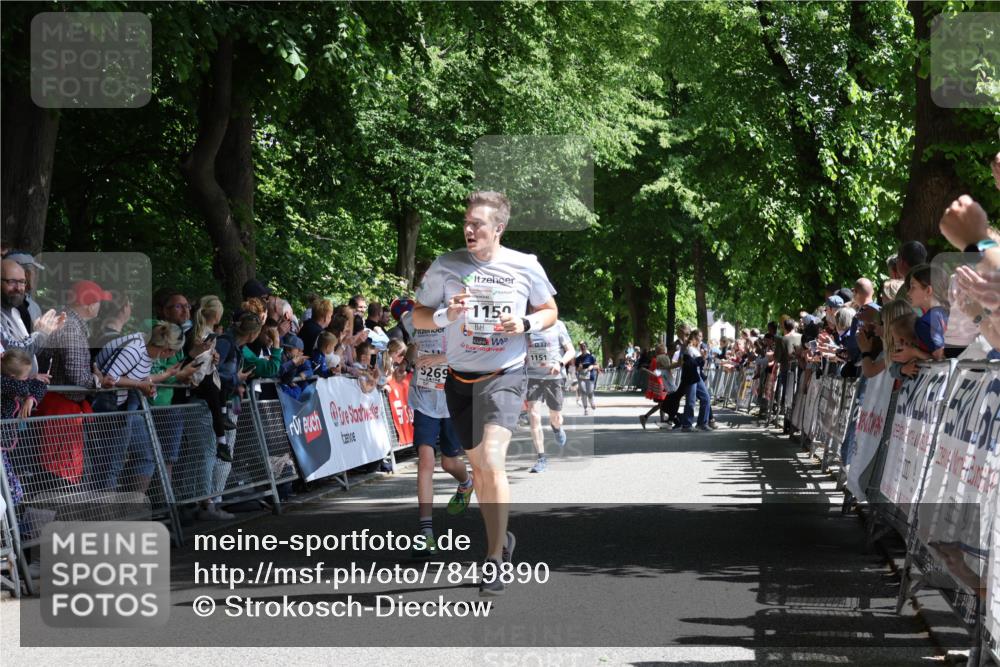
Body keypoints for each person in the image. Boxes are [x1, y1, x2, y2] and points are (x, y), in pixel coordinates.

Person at [413, 190, 557, 596]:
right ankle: (502, 538)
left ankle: (494, 559)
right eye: (467, 222)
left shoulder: (525, 265)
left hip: (504, 375)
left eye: (477, 223)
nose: (469, 229)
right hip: (460, 381)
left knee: (493, 460)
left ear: (499, 228)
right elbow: (418, 315)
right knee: (479, 471)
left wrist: (526, 324)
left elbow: (549, 311)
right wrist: (446, 315)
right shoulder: (446, 265)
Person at [400, 307, 475, 557]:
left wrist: (441, 358)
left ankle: (466, 483)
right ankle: (426, 535)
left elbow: (472, 350)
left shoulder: (460, 315)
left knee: (449, 462)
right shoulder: (412, 318)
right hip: (424, 399)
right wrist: (407, 361)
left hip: (453, 399)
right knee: (425, 461)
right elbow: (413, 345)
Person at [525, 318, 575, 473]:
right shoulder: (526, 324)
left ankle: (556, 427)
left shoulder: (558, 325)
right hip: (532, 376)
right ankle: (541, 458)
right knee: (533, 415)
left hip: (554, 376)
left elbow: (571, 351)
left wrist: (560, 364)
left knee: (556, 417)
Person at [575, 342, 598, 414]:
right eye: (581, 346)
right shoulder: (578, 359)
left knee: (590, 392)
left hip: (590, 376)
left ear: (586, 347)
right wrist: (579, 368)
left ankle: (591, 402)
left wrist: (592, 366)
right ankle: (585, 409)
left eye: (584, 346)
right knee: (583, 391)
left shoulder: (591, 357)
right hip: (581, 377)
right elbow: (576, 369)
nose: (583, 347)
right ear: (580, 348)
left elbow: (597, 366)